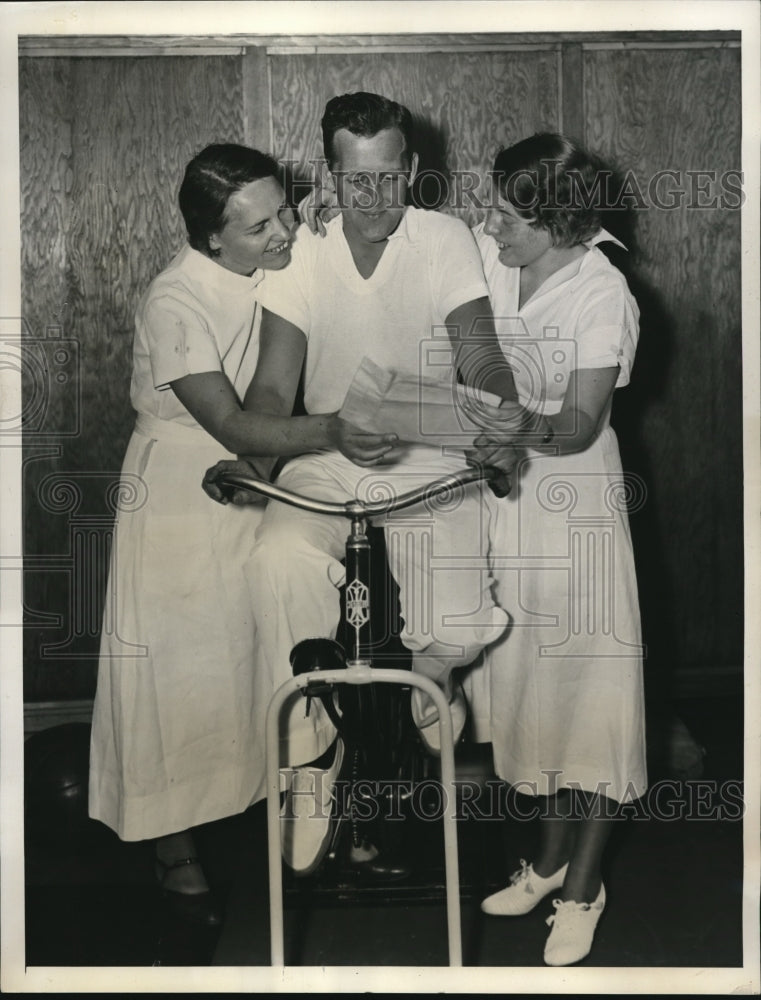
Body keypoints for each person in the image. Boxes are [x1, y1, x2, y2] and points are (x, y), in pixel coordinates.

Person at [204, 92, 519, 875]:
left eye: (387, 179)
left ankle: (434, 677)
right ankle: (313, 760)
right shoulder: (303, 249)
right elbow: (274, 391)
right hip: (331, 448)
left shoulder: (444, 239)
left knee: (452, 610)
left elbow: (477, 355)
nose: (373, 199)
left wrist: (497, 416)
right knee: (275, 558)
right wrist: (258, 459)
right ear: (329, 178)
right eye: (354, 182)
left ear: (410, 170)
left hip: (424, 450)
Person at [88, 143, 394, 926]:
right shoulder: (174, 299)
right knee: (177, 676)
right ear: (210, 238)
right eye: (260, 227)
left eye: (285, 211)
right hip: (185, 499)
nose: (283, 233)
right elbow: (227, 424)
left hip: (262, 481)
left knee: (255, 660)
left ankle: (286, 809)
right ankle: (173, 844)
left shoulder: (279, 261)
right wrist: (340, 427)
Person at [466, 133, 646, 966]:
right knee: (536, 685)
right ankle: (544, 862)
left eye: (504, 214)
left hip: (573, 504)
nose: (488, 223)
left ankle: (583, 888)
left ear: (555, 221)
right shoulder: (500, 255)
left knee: (592, 697)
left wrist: (502, 424)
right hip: (509, 500)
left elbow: (575, 426)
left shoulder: (601, 291)